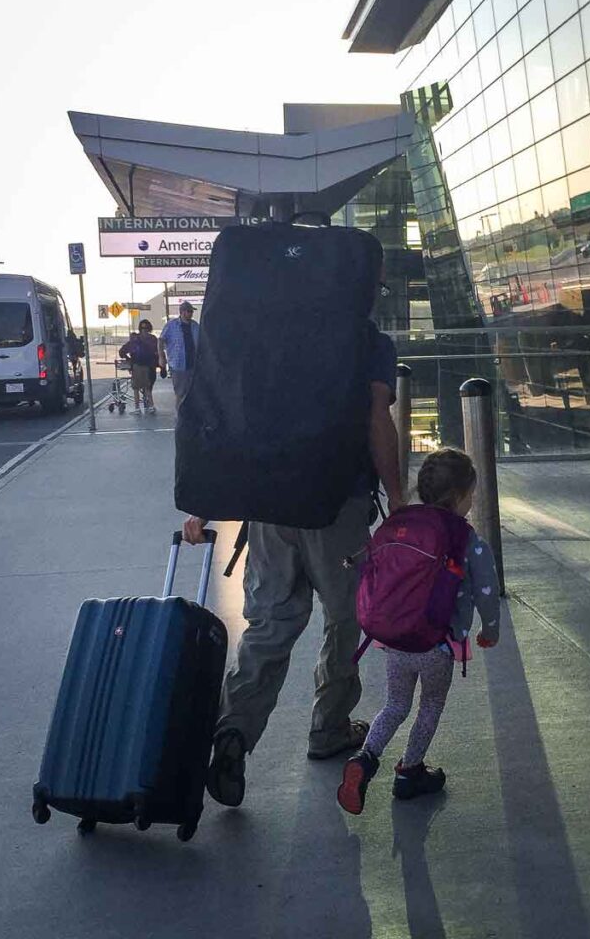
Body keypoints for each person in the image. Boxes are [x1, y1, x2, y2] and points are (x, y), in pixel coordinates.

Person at [182, 319, 404, 808]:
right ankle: (329, 727)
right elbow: (376, 419)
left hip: (270, 508)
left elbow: (240, 421)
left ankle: (233, 735)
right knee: (347, 620)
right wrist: (400, 499)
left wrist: (209, 502)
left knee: (268, 626)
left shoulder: (276, 333)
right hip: (336, 507)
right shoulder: (367, 341)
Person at [336, 448, 501, 815]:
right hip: (436, 643)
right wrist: (490, 628)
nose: (471, 503)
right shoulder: (464, 538)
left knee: (395, 705)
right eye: (470, 495)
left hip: (394, 638)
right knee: (430, 704)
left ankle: (365, 759)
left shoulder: (401, 523)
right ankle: (410, 771)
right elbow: (486, 589)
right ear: (459, 496)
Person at [158, 301, 199, 408]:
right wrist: (161, 357)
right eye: (189, 311)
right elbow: (161, 340)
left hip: (193, 364)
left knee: (193, 393)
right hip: (178, 364)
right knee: (180, 393)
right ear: (182, 312)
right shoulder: (171, 325)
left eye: (191, 311)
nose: (191, 314)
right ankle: (180, 417)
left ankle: (191, 418)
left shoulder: (195, 326)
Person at [119, 320, 159, 414]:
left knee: (137, 388)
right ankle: (150, 406)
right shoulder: (152, 339)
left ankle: (138, 408)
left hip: (139, 365)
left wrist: (129, 359)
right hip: (148, 366)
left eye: (145, 328)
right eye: (143, 328)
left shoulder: (136, 339)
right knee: (147, 388)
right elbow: (157, 352)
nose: (144, 330)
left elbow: (122, 351)